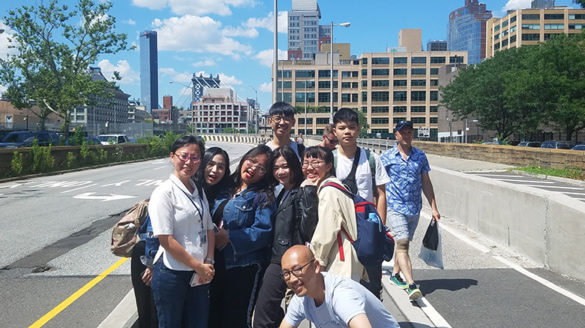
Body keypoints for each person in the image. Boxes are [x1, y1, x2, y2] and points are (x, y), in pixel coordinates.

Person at [148, 135, 215, 328]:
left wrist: (208, 262)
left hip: (200, 274)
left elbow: (209, 227)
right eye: (183, 156)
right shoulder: (164, 192)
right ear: (172, 157)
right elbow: (165, 239)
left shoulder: (197, 189)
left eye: (195, 157)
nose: (189, 162)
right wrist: (198, 266)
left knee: (198, 323)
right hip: (173, 274)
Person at [210, 145, 275, 328]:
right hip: (214, 262)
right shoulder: (224, 187)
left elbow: (262, 232)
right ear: (244, 159)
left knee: (235, 318)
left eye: (261, 167)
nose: (254, 168)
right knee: (213, 314)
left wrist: (229, 236)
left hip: (242, 266)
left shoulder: (262, 197)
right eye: (252, 161)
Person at [253, 146, 317, 328]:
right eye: (275, 168)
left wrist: (310, 194)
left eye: (285, 166)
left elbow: (308, 229)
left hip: (286, 257)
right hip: (276, 254)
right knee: (272, 310)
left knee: (263, 313)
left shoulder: (302, 191)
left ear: (294, 166)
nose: (280, 172)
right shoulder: (282, 190)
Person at [332, 108, 390, 299]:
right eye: (342, 128)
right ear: (335, 132)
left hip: (367, 228)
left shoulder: (372, 158)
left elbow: (381, 194)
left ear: (358, 130)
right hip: (340, 229)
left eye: (351, 127)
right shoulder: (329, 159)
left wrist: (380, 226)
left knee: (371, 284)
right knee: (342, 284)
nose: (347, 131)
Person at [381, 120, 441, 301]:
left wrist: (434, 207)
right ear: (396, 135)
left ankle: (395, 275)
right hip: (395, 206)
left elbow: (426, 182)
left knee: (403, 245)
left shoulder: (420, 156)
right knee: (403, 241)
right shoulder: (387, 157)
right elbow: (380, 186)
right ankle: (411, 285)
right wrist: (380, 211)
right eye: (403, 132)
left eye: (409, 132)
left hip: (414, 207)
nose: (406, 135)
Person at [279, 245, 399, 328]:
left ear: (316, 266)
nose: (293, 279)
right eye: (286, 273)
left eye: (298, 269)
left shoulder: (341, 295)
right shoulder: (301, 298)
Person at [303, 146, 365, 282]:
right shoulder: (334, 185)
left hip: (340, 260)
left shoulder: (329, 190)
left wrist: (319, 260)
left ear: (329, 166)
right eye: (306, 163)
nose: (309, 167)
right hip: (345, 256)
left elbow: (327, 228)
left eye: (316, 163)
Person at [193, 147, 231, 328]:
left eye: (221, 167)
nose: (215, 171)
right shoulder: (187, 188)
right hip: (186, 259)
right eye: (211, 164)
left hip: (213, 260)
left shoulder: (227, 193)